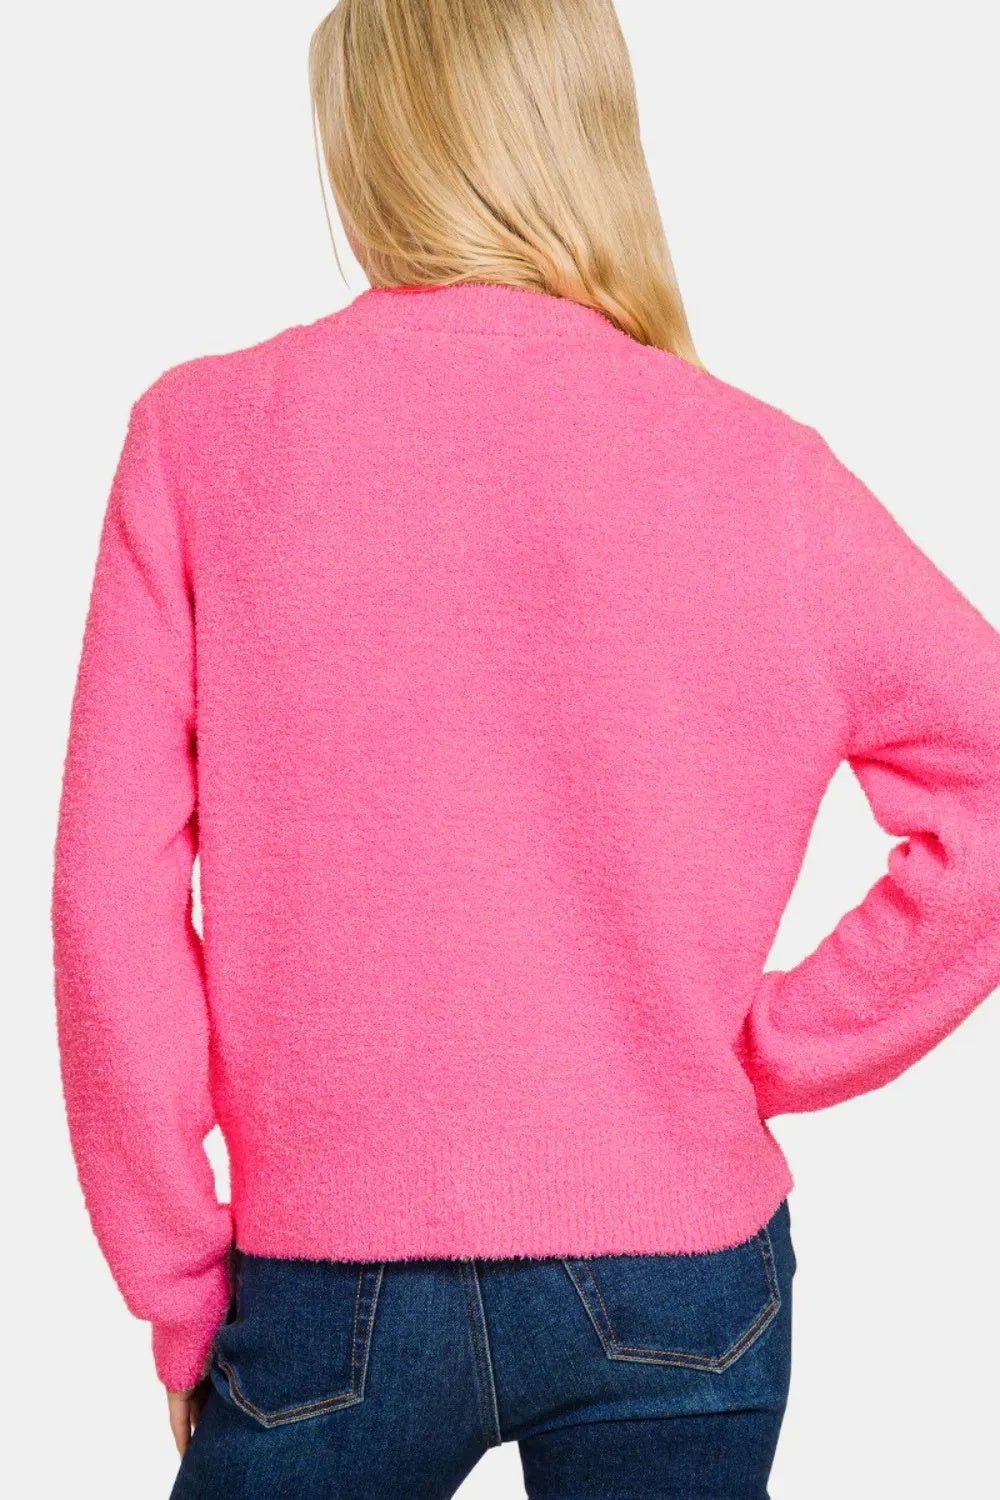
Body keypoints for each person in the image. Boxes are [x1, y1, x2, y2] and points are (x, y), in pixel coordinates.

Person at [50, 2, 1000, 1497]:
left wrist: (174, 1283)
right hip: (680, 1267)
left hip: (325, 1285)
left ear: (369, 141)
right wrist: (774, 1051)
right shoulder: (760, 470)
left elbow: (109, 905)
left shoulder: (201, 438)